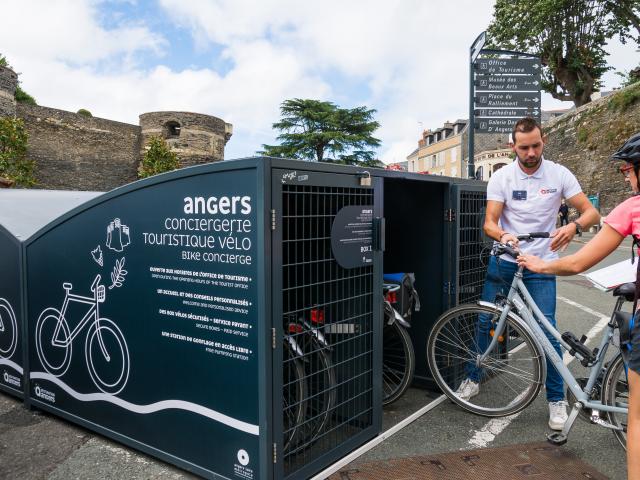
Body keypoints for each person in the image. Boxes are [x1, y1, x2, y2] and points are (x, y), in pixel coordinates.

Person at [455, 117, 600, 431]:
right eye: (524, 147)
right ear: (513, 147)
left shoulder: (559, 173)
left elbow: (591, 212)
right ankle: (472, 377)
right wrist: (503, 236)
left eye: (536, 145)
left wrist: (574, 226)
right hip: (504, 261)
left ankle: (556, 398)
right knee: (485, 320)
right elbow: (490, 223)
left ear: (543, 140)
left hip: (541, 265)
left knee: (548, 332)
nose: (531, 152)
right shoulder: (502, 178)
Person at [517, 132, 640, 480]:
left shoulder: (632, 208)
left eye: (629, 170)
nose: (627, 177)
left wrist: (540, 264)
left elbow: (576, 263)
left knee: (638, 416)